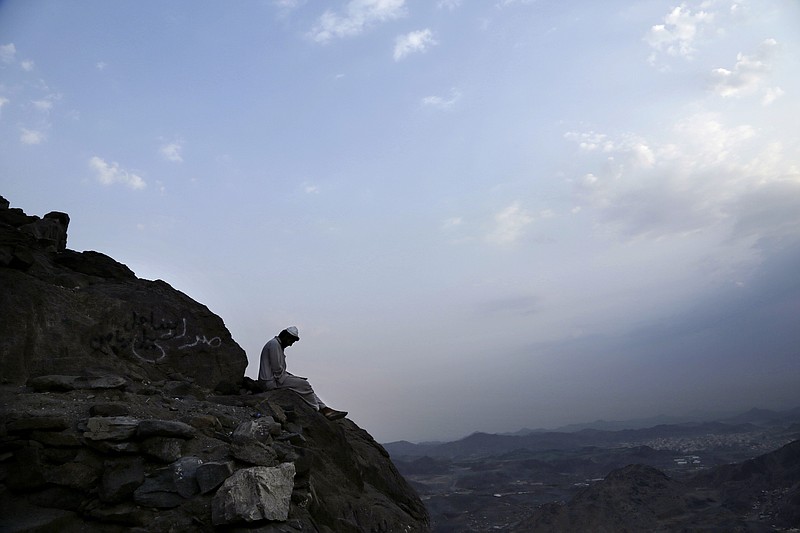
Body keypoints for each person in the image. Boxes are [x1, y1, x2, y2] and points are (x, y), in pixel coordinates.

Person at [258, 326, 347, 421]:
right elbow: (277, 369)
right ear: (285, 336)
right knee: (304, 385)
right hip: (270, 382)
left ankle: (325, 409)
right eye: (290, 341)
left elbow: (279, 370)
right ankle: (317, 409)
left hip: (275, 379)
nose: (290, 344)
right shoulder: (274, 344)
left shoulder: (277, 345)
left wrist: (292, 378)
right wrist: (292, 379)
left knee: (304, 386)